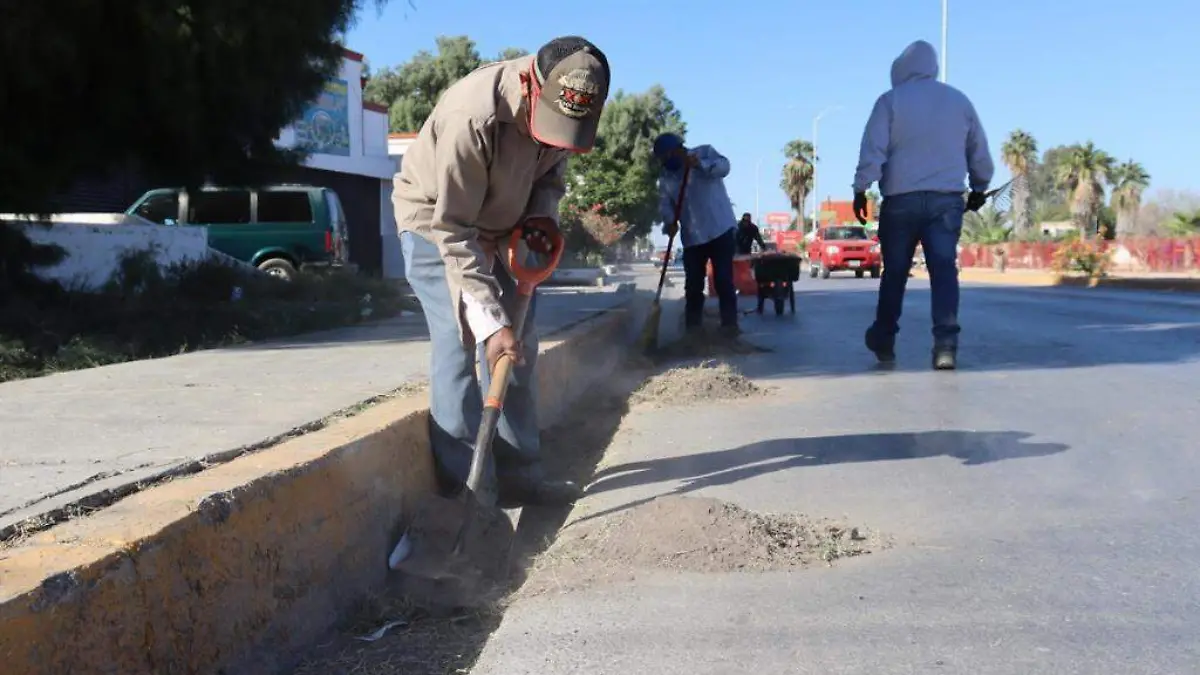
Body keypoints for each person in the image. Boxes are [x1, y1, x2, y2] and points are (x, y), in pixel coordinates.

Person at [391, 36, 610, 505]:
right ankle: (471, 494)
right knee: (461, 343)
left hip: (506, 226)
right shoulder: (471, 116)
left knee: (520, 346)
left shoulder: (569, 105)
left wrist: (541, 218)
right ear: (532, 83)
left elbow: (550, 177)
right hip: (436, 224)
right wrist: (490, 322)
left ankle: (519, 475)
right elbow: (452, 229)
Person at [852, 39, 994, 370]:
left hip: (900, 201)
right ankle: (945, 345)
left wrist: (861, 188)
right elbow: (979, 150)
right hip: (946, 201)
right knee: (943, 270)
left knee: (896, 273)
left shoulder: (890, 102)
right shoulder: (959, 101)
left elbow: (873, 149)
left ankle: (884, 338)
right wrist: (980, 186)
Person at [652, 133, 739, 337]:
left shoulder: (704, 153)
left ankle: (729, 326)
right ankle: (693, 330)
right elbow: (666, 205)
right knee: (693, 284)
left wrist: (700, 164)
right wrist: (670, 221)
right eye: (661, 159)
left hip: (720, 229)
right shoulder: (666, 177)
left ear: (677, 150)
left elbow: (724, 167)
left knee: (723, 280)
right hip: (693, 236)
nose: (664, 162)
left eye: (666, 157)